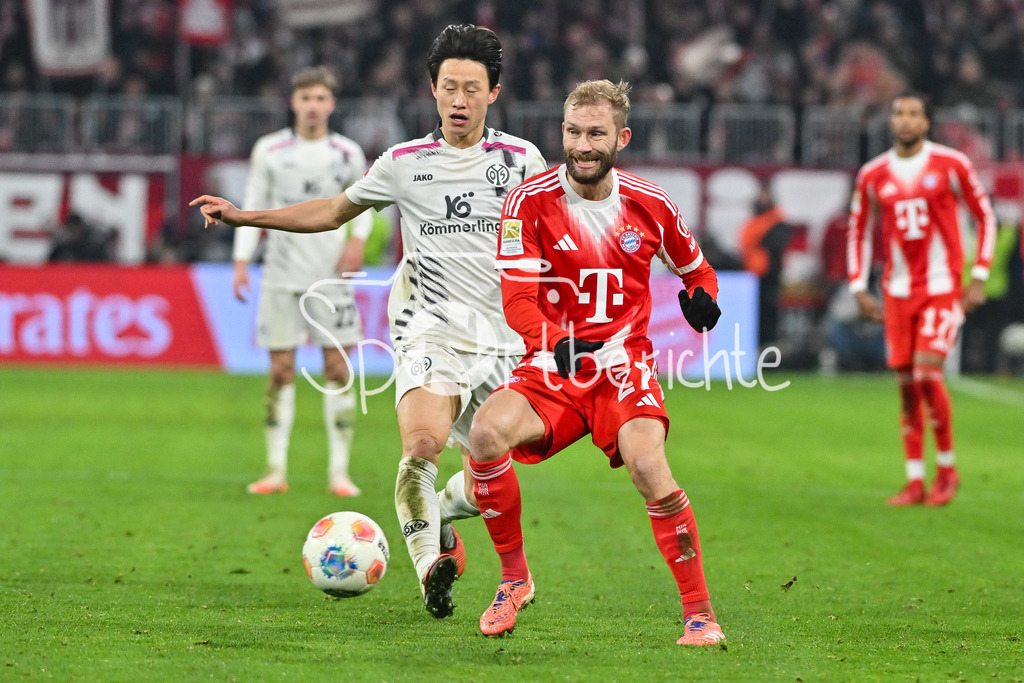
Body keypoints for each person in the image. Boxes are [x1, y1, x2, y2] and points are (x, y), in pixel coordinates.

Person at [191, 25, 547, 619]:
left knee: (487, 468)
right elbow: (333, 211)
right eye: (449, 87)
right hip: (427, 327)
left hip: (500, 338)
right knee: (422, 448)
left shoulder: (521, 161)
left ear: (494, 93)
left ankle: (446, 520)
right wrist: (244, 217)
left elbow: (552, 234)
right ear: (432, 89)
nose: (459, 101)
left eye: (472, 89)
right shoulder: (403, 163)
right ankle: (430, 566)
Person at [466, 79, 726, 646]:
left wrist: (702, 300)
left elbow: (697, 271)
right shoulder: (528, 201)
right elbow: (516, 299)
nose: (582, 145)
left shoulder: (651, 204)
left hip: (622, 366)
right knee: (485, 433)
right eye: (574, 132)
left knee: (648, 467)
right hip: (553, 364)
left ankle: (700, 613)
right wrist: (551, 338)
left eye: (596, 134)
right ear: (562, 132)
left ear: (622, 137)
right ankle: (514, 580)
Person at [847, 91, 996, 506]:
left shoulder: (951, 165)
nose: (906, 120)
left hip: (941, 286)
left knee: (929, 373)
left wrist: (978, 276)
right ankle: (915, 480)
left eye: (914, 114)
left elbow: (985, 216)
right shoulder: (873, 174)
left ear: (927, 122)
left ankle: (947, 472)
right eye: (899, 113)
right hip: (896, 291)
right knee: (907, 387)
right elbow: (858, 229)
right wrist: (858, 285)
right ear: (891, 120)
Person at [230, 66, 372, 498]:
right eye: (305, 98)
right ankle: (275, 470)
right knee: (280, 371)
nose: (312, 106)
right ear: (294, 102)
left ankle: (339, 472)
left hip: (331, 278)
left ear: (331, 104)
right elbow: (253, 205)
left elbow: (364, 202)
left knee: (337, 368)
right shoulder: (270, 150)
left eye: (320, 98)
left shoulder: (348, 153)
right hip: (279, 274)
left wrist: (357, 243)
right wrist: (240, 260)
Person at [737, 186, 791, 347]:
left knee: (767, 313)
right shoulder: (756, 222)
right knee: (754, 313)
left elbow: (773, 245)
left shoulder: (776, 221)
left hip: (767, 275)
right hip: (752, 274)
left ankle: (766, 346)